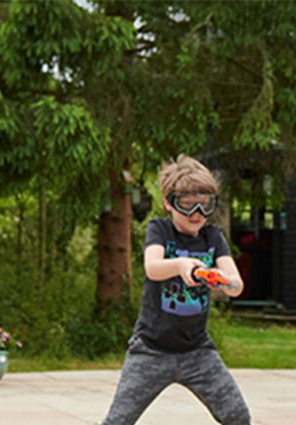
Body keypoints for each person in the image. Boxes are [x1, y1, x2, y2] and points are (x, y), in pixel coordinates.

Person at [102, 154, 249, 425]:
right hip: (150, 351)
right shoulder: (159, 230)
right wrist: (182, 265)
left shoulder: (213, 237)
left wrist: (221, 278)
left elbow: (236, 285)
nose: (197, 215)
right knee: (117, 421)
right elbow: (153, 267)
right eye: (188, 205)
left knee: (238, 417)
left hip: (198, 351)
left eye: (205, 205)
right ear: (169, 204)